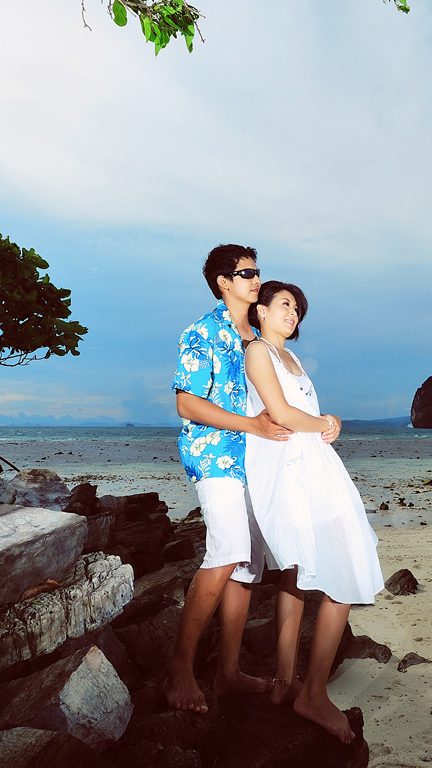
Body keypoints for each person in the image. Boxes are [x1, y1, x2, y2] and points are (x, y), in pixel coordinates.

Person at [242, 280, 385, 743]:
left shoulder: (293, 359)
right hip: (287, 469)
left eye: (298, 308)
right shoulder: (258, 352)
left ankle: (288, 683)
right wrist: (324, 423)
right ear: (260, 310)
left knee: (302, 569)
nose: (294, 313)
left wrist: (332, 421)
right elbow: (280, 412)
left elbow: (304, 411)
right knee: (340, 571)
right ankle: (314, 693)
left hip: (313, 467)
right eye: (285, 304)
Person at [164, 244, 293, 713]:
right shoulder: (202, 332)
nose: (256, 279)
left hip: (255, 457)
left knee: (248, 565)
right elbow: (187, 404)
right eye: (246, 273)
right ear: (223, 282)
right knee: (227, 551)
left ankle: (229, 672)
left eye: (258, 272)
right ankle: (180, 668)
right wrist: (253, 425)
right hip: (214, 454)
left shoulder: (256, 334)